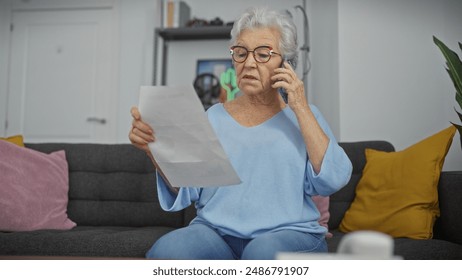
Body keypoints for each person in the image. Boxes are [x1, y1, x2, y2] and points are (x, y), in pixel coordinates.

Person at [129, 6, 352, 260]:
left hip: (290, 233)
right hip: (215, 233)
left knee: (261, 253)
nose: (248, 63)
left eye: (263, 54)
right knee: (166, 252)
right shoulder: (213, 116)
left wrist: (298, 105)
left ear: (286, 63)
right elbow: (186, 187)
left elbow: (334, 179)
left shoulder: (305, 116)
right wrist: (153, 150)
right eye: (241, 52)